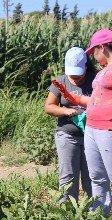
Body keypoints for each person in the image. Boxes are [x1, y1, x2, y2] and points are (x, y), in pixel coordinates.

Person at [52, 29, 112, 214]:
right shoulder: (104, 71)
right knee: (96, 176)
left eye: (94, 51)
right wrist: (73, 98)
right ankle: (100, 213)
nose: (93, 55)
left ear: (102, 47)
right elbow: (95, 100)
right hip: (92, 128)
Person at [45, 47, 95, 202]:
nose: (75, 77)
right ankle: (67, 214)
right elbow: (49, 107)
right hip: (67, 135)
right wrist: (65, 111)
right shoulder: (60, 81)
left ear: (86, 66)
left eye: (78, 74)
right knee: (68, 177)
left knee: (91, 177)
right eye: (72, 73)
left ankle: (94, 213)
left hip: (91, 136)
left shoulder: (96, 80)